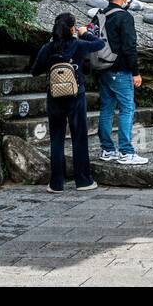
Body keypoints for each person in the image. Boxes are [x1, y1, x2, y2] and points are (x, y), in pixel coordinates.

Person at [31, 12, 106, 193]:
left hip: (54, 98)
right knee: (79, 138)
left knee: (56, 139)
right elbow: (100, 44)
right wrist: (85, 33)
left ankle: (56, 183)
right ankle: (83, 181)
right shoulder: (78, 45)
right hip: (76, 96)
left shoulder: (47, 48)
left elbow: (34, 71)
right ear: (72, 28)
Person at [94, 0, 148, 166]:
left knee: (106, 110)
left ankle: (107, 150)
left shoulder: (100, 14)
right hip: (121, 70)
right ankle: (126, 151)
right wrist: (136, 73)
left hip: (103, 69)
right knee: (127, 109)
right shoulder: (125, 17)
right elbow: (129, 47)